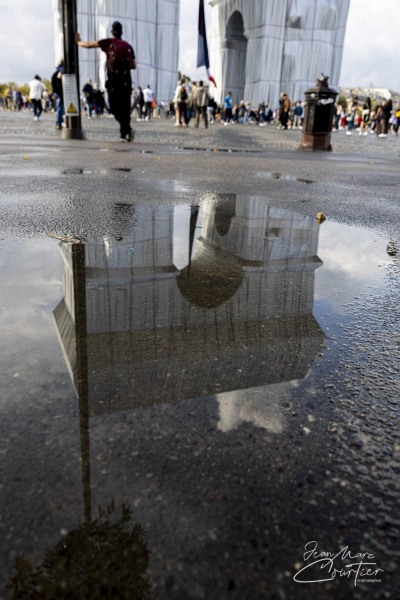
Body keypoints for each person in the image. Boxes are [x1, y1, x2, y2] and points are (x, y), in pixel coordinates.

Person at [75, 21, 136, 142]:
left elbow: (89, 45)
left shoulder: (108, 42)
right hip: (126, 81)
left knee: (114, 107)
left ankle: (127, 130)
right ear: (121, 32)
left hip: (114, 81)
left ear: (112, 31)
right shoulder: (128, 46)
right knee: (125, 108)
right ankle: (125, 133)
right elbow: (134, 65)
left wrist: (78, 42)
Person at [51, 61, 64, 130]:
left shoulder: (56, 71)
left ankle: (59, 122)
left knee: (59, 107)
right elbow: (59, 76)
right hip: (61, 92)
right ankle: (59, 123)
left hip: (57, 92)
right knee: (60, 108)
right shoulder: (62, 69)